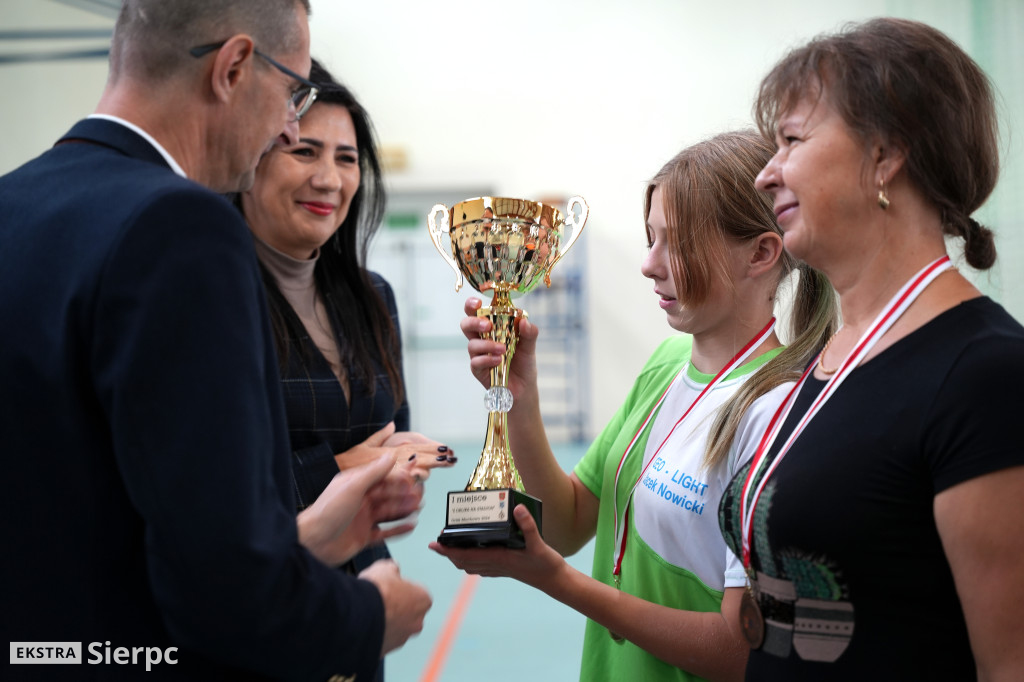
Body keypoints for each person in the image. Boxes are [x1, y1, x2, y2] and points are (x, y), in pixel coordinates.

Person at [0, 1, 430, 680]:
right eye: (293, 96)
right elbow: (220, 588)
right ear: (232, 67)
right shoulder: (179, 226)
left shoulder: (13, 203)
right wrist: (371, 618)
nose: (288, 124)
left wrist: (311, 531)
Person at [431, 130, 837, 681]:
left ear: (762, 253)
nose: (649, 265)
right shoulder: (666, 365)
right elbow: (571, 522)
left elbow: (740, 650)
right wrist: (519, 399)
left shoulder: (777, 409)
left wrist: (555, 580)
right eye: (651, 239)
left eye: (677, 244)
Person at [716, 17, 1024, 680]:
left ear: (885, 156)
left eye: (791, 140)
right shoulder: (829, 352)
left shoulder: (985, 374)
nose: (765, 175)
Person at [236, 59, 456, 681]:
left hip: (360, 593)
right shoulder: (219, 299)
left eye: (348, 158)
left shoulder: (371, 297)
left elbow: (392, 439)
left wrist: (400, 471)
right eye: (305, 151)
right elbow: (221, 482)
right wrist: (343, 466)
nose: (329, 179)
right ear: (253, 158)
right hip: (261, 601)